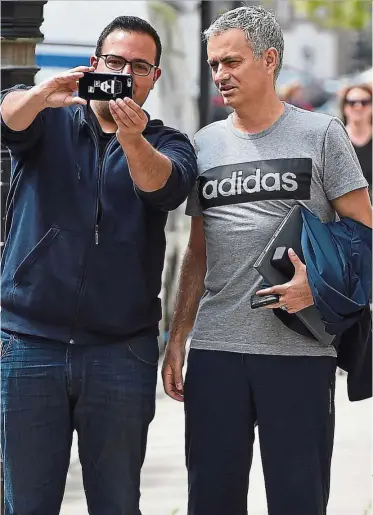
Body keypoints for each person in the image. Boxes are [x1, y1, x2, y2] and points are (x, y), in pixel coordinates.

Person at [161, 6, 372, 515]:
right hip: (216, 351)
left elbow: (366, 233)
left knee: (298, 502)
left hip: (298, 354)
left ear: (270, 59)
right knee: (210, 501)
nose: (220, 75)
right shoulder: (205, 144)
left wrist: (316, 293)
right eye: (213, 64)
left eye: (231, 62)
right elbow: (199, 250)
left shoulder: (322, 135)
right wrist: (179, 335)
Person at [0, 15, 197, 515]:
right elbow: (8, 119)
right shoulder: (49, 117)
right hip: (28, 343)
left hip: (119, 351)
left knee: (116, 503)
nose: (124, 74)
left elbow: (164, 188)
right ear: (94, 64)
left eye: (138, 67)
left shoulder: (169, 142)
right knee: (25, 501)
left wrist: (132, 140)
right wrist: (44, 92)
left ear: (154, 77)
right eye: (114, 63)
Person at [341, 83, 372, 197]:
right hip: (345, 211)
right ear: (344, 107)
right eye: (352, 103)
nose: (358, 106)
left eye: (364, 102)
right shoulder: (335, 139)